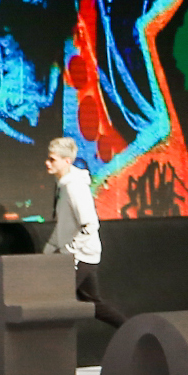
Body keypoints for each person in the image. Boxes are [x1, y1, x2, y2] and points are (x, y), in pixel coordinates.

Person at [44, 135, 127, 328]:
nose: (47, 163)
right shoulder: (64, 186)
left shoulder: (74, 188)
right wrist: (49, 250)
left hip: (81, 257)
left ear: (67, 161)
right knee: (94, 304)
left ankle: (133, 330)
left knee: (52, 303)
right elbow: (64, 225)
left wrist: (68, 252)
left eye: (52, 159)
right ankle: (131, 329)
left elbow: (89, 225)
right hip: (80, 257)